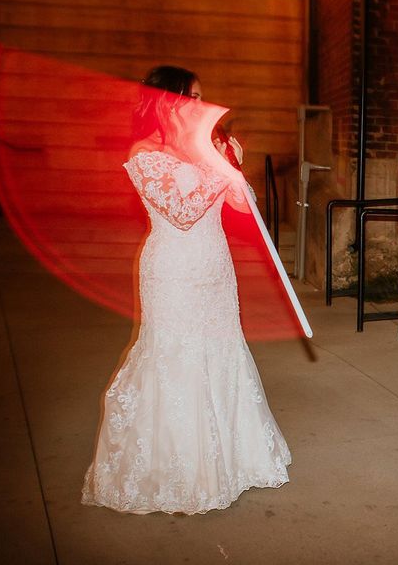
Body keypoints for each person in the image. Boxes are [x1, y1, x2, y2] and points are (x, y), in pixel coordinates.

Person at [81, 66, 291, 514]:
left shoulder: (202, 151)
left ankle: (232, 459)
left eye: (201, 96)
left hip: (215, 268)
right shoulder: (145, 153)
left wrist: (233, 169)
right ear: (166, 102)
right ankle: (175, 472)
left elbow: (242, 205)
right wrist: (218, 166)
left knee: (222, 350)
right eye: (192, 97)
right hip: (173, 271)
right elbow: (180, 211)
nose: (200, 105)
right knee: (175, 356)